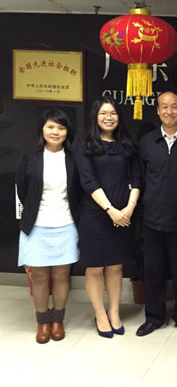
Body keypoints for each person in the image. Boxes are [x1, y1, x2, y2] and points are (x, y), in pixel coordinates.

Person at [75, 97, 141, 338]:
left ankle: (114, 312)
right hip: (96, 214)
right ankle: (100, 314)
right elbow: (88, 181)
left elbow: (137, 178)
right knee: (95, 267)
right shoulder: (85, 145)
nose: (109, 117)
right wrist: (110, 209)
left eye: (113, 113)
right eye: (103, 113)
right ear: (95, 116)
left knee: (115, 266)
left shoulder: (128, 145)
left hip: (124, 214)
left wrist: (129, 207)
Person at [136, 91, 177, 337]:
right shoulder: (147, 141)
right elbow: (140, 178)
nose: (169, 111)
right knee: (153, 271)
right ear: (157, 111)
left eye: (174, 107)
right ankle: (154, 317)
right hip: (153, 219)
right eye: (164, 107)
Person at [16, 109, 80, 344]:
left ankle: (58, 320)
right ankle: (42, 321)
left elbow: (79, 192)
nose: (55, 132)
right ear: (42, 129)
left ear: (67, 132)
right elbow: (22, 190)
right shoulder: (29, 157)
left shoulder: (74, 158)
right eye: (50, 127)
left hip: (66, 224)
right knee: (40, 276)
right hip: (37, 226)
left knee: (62, 276)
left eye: (61, 128)